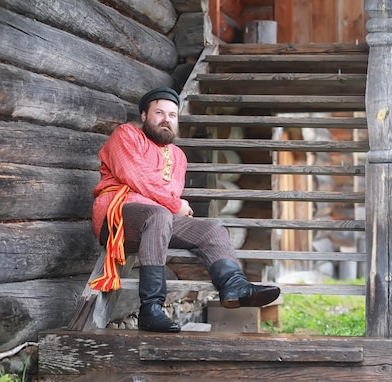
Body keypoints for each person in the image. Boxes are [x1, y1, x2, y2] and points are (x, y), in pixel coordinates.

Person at [91, 87, 280, 333]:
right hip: (117, 217)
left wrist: (172, 206)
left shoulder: (178, 156)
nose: (166, 119)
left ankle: (235, 286)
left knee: (212, 230)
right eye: (159, 113)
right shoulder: (127, 135)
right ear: (145, 116)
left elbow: (165, 195)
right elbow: (137, 178)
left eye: (172, 115)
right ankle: (151, 308)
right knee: (158, 215)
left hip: (157, 221)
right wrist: (175, 205)